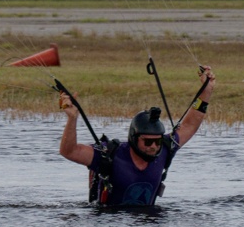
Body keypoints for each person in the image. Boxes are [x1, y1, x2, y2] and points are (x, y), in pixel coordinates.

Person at [58, 67, 215, 208]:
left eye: (157, 141)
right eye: (148, 141)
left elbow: (189, 126)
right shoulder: (109, 155)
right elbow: (69, 151)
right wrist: (72, 119)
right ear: (134, 138)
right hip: (109, 225)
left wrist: (206, 91)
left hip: (150, 224)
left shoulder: (165, 149)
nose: (154, 146)